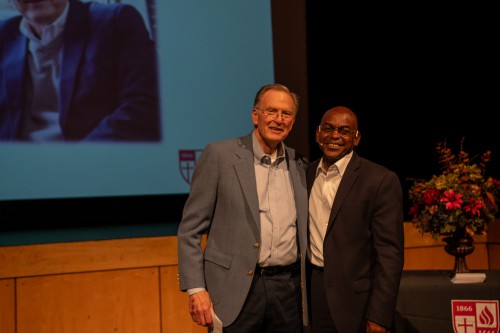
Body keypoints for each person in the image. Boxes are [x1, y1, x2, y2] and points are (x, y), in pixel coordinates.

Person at [177, 83, 308, 332]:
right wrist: (196, 288)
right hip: (236, 291)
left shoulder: (299, 163)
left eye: (286, 113)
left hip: (288, 292)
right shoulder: (220, 156)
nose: (279, 119)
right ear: (255, 115)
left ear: (292, 121)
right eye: (271, 111)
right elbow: (190, 230)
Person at [0, 0, 160, 142]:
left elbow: (143, 103)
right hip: (20, 166)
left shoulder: (116, 20)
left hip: (94, 162)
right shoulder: (3, 36)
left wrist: (79, 158)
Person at [307, 106, 404, 333]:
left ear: (356, 138)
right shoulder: (306, 173)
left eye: (344, 131)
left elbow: (390, 255)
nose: (335, 136)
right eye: (328, 129)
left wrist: (380, 315)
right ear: (317, 133)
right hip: (312, 296)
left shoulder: (380, 180)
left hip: (356, 304)